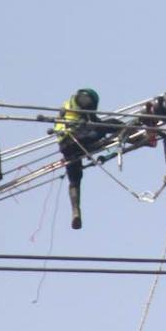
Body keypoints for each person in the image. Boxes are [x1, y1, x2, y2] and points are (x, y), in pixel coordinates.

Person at [54, 87, 109, 229]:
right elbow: (93, 120)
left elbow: (92, 119)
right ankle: (137, 136)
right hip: (77, 138)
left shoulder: (67, 106)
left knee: (75, 179)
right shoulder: (81, 100)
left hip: (65, 147)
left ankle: (75, 212)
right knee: (112, 124)